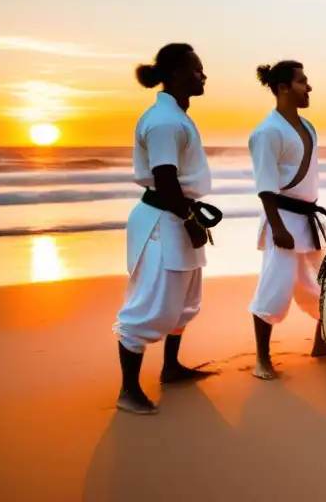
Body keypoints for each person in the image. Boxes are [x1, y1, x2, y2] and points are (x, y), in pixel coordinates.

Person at [113, 43, 221, 415]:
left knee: (184, 303)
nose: (203, 76)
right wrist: (190, 221)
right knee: (148, 307)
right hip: (163, 222)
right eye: (196, 70)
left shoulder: (176, 116)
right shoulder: (164, 122)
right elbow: (164, 176)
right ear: (176, 75)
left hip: (178, 216)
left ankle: (171, 368)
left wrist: (190, 218)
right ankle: (128, 391)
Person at [247, 60, 326, 380]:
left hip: (308, 220)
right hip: (281, 219)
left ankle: (322, 343)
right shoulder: (267, 132)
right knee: (276, 286)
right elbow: (266, 187)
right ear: (283, 88)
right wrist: (277, 227)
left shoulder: (308, 126)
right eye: (302, 82)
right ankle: (262, 359)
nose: (308, 87)